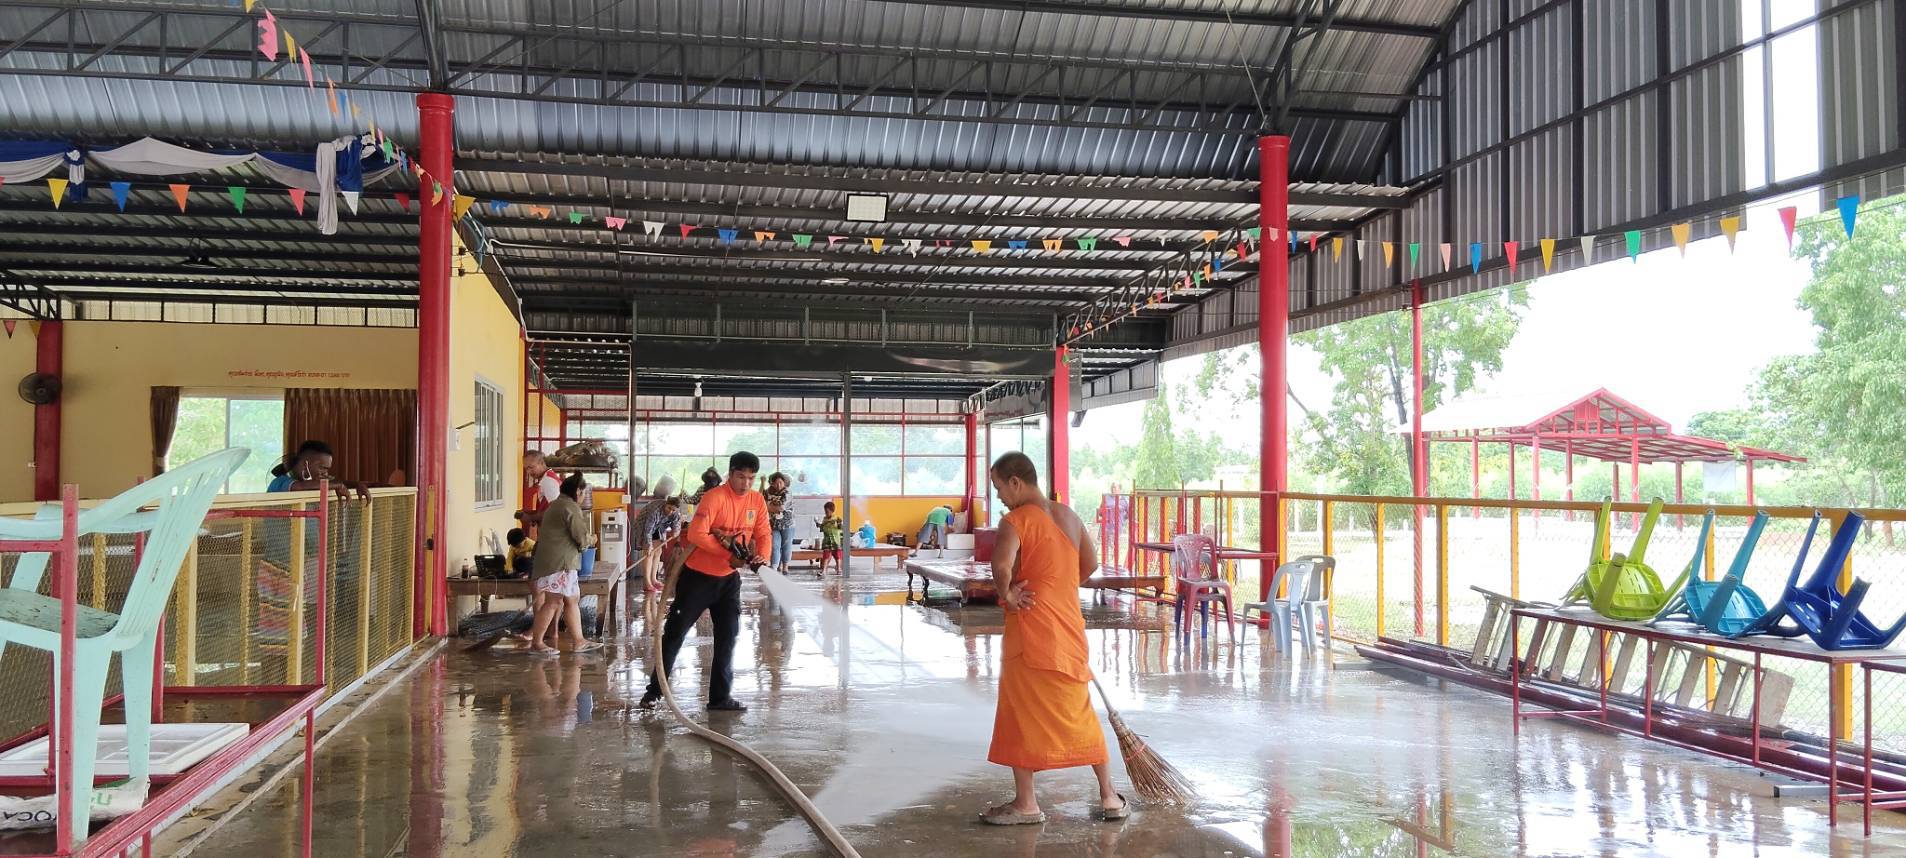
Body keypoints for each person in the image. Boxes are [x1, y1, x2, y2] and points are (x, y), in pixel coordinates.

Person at [979, 451, 1126, 825]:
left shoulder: (1015, 521)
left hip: (1031, 630)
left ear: (1016, 483)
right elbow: (1090, 564)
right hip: (1068, 627)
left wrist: (1008, 593)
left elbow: (1000, 565)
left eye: (999, 487)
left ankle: (1027, 803)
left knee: (1020, 714)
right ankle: (1109, 796)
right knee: (1078, 710)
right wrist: (1058, 587)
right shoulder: (1069, 516)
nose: (999, 497)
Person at [643, 451, 768, 713]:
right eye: (741, 477)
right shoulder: (715, 497)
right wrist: (728, 555)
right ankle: (654, 692)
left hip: (728, 582)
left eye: (751, 478)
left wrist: (762, 557)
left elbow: (763, 532)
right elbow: (697, 534)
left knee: (728, 637)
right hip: (697, 579)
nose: (746, 483)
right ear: (730, 474)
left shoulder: (756, 500)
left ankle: (720, 699)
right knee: (674, 634)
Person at [526, 472, 602, 654]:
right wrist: (592, 539)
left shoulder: (557, 504)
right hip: (559, 564)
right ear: (578, 491)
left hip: (561, 562)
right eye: (584, 493)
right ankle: (537, 643)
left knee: (572, 599)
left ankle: (579, 641)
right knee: (553, 602)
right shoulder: (570, 507)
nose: (584, 497)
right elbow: (581, 538)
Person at [267, 440, 369, 501]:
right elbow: (301, 487)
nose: (325, 473)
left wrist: (357, 484)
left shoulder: (313, 483)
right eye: (322, 468)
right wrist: (338, 485)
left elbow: (334, 481)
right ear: (304, 465)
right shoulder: (279, 482)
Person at [517, 450, 562, 527]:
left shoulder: (548, 481)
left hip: (552, 530)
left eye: (531, 467)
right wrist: (529, 513)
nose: (529, 472)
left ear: (542, 463)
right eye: (526, 469)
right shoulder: (547, 478)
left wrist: (530, 517)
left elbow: (555, 510)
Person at [764, 472, 794, 573]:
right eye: (776, 483)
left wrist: (768, 506)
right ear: (771, 483)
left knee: (786, 545)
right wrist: (769, 507)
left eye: (781, 483)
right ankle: (774, 567)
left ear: (784, 483)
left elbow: (781, 508)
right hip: (772, 524)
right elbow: (761, 504)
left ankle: (785, 566)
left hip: (787, 524)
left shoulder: (787, 493)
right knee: (774, 545)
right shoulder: (767, 492)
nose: (779, 485)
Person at [816, 501, 844, 575]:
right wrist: (818, 524)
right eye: (825, 511)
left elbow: (841, 527)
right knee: (826, 555)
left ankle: (839, 569)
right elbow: (822, 528)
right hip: (827, 541)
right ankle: (824, 570)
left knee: (838, 556)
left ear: (832, 511)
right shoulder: (824, 519)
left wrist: (840, 524)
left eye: (827, 511)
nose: (826, 513)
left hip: (835, 541)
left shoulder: (837, 519)